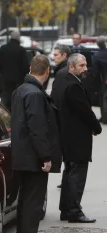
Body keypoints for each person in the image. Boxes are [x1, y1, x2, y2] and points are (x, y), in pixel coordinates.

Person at [11, 54, 61, 233]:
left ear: (31, 69)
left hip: (22, 155)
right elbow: (37, 128)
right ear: (47, 71)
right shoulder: (35, 94)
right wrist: (46, 157)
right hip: (33, 157)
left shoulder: (21, 90)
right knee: (33, 202)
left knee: (25, 200)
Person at [53, 53, 102, 223]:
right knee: (77, 174)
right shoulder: (73, 85)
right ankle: (74, 211)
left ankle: (66, 209)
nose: (85, 68)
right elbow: (85, 112)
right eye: (81, 66)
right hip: (76, 137)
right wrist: (96, 127)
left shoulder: (62, 79)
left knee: (69, 172)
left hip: (66, 135)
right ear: (71, 67)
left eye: (86, 65)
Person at [50, 44, 71, 189]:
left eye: (56, 54)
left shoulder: (63, 72)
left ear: (64, 55)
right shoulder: (62, 70)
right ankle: (66, 180)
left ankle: (68, 180)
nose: (53, 57)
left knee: (67, 151)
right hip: (63, 117)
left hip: (63, 118)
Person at [0, 31, 30, 110]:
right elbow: (25, 66)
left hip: (5, 80)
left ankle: (5, 113)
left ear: (11, 37)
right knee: (17, 100)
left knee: (6, 98)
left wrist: (3, 73)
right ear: (18, 38)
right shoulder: (21, 50)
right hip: (18, 81)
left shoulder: (3, 48)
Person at [92, 36, 107, 122]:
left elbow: (95, 71)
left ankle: (104, 117)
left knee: (102, 98)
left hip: (103, 79)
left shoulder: (96, 55)